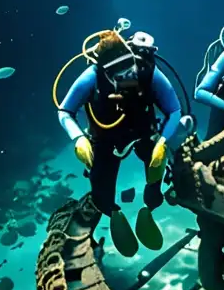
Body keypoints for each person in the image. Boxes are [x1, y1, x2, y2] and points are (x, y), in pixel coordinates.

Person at [58, 30, 181, 258]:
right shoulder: (90, 78)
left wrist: (163, 141)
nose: (126, 73)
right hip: (105, 138)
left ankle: (149, 206)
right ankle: (112, 212)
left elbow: (174, 109)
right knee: (100, 190)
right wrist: (79, 139)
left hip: (144, 133)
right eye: (117, 70)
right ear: (104, 71)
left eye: (128, 65)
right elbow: (65, 110)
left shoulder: (147, 70)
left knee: (155, 172)